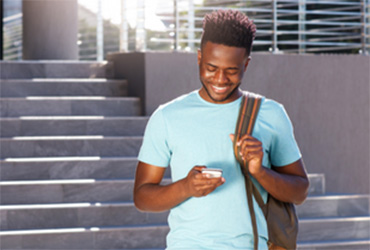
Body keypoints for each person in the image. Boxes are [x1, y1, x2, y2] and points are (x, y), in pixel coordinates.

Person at [134, 9, 309, 250]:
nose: (219, 79)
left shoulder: (271, 114)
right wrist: (185, 187)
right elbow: (142, 197)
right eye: (211, 67)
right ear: (199, 58)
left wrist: (260, 172)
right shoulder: (167, 117)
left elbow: (299, 192)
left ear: (246, 64)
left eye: (232, 71)